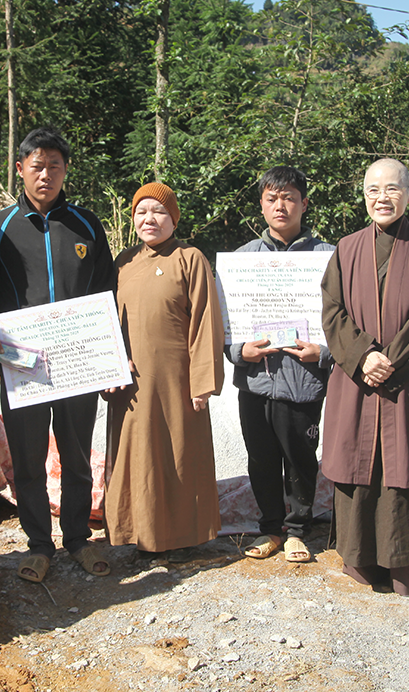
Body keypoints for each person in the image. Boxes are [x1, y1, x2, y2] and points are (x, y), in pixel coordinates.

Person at [0, 127, 115, 582]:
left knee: (76, 455)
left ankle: (77, 539)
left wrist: (111, 355)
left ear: (66, 170)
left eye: (55, 166)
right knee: (29, 459)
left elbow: (107, 291)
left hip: (78, 362)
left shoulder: (86, 225)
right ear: (20, 169)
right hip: (21, 364)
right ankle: (38, 545)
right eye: (37, 166)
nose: (46, 174)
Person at [320, 158, 409, 596]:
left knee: (405, 468)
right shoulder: (346, 248)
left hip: (408, 382)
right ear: (363, 196)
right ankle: (362, 564)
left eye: (392, 189)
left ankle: (406, 572)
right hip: (357, 380)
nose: (382, 198)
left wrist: (389, 361)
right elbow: (332, 311)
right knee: (358, 464)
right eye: (373, 190)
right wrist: (362, 356)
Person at [104, 182, 224, 562]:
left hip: (177, 380)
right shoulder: (123, 263)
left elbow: (206, 321)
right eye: (141, 212)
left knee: (178, 454)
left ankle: (183, 537)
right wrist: (107, 366)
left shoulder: (189, 258)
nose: (149, 219)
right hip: (132, 382)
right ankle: (141, 535)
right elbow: (106, 321)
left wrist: (202, 382)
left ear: (173, 218)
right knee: (137, 456)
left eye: (158, 211)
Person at [226, 166, 334, 563]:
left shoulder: (329, 258)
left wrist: (324, 352)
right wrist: (239, 351)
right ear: (261, 205)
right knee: (261, 457)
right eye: (272, 198)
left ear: (304, 203)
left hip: (303, 378)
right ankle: (270, 528)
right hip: (256, 380)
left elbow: (344, 319)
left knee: (300, 456)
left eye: (289, 197)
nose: (280, 206)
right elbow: (224, 322)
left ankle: (298, 531)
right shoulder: (242, 261)